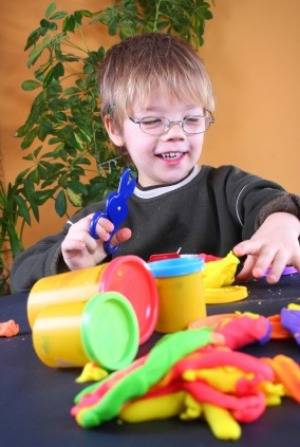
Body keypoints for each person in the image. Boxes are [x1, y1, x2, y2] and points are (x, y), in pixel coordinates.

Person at [11, 33, 300, 293]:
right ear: (115, 128)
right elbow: (21, 273)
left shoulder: (226, 188)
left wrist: (281, 227)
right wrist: (68, 261)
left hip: (224, 337)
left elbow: (278, 203)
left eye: (191, 119)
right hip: (137, 349)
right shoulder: (103, 222)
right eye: (152, 120)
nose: (176, 134)